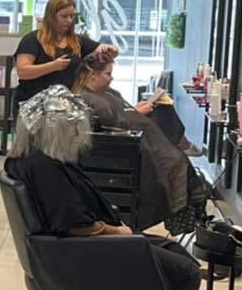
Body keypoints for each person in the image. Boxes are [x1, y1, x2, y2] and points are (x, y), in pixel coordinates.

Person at [4, 87, 204, 290]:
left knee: (177, 256)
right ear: (55, 129)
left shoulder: (30, 158)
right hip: (80, 258)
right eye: (74, 128)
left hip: (69, 254)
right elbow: (76, 226)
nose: (80, 134)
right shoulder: (46, 168)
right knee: (186, 273)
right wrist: (116, 231)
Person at [72, 55, 210, 233]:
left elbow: (120, 115)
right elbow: (116, 124)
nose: (111, 78)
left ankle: (183, 149)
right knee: (177, 165)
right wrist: (136, 113)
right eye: (108, 74)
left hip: (145, 139)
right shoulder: (91, 100)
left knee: (168, 123)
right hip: (136, 148)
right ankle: (184, 152)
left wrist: (134, 110)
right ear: (92, 74)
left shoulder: (107, 93)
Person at [14, 0, 118, 104]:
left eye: (71, 16)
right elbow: (23, 72)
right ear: (51, 17)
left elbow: (106, 53)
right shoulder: (32, 40)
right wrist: (52, 66)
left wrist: (111, 50)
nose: (69, 20)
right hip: (33, 105)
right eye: (64, 16)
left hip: (65, 105)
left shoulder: (77, 41)